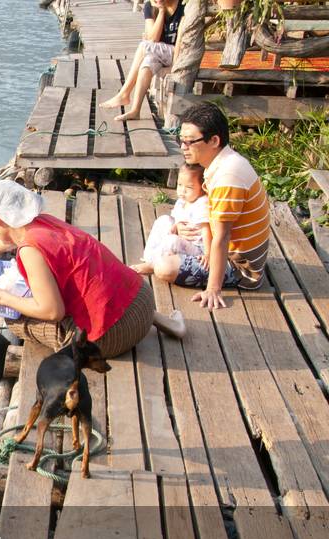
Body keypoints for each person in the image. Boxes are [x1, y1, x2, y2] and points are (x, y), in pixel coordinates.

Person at [0, 180, 184, 357]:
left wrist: (0, 297)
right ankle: (170, 324)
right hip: (142, 302)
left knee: (15, 320)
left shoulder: (30, 249)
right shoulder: (40, 222)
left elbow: (53, 311)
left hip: (116, 335)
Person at [149, 102, 270, 310]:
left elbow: (222, 238)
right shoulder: (221, 162)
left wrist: (213, 288)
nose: (183, 147)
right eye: (182, 141)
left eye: (190, 142)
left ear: (214, 140)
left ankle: (157, 261)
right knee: (167, 221)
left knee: (164, 268)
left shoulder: (227, 176)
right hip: (213, 242)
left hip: (239, 266)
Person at [100, 0, 185, 122]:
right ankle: (135, 110)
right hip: (158, 53)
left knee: (143, 46)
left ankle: (124, 93)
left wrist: (175, 66)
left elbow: (179, 42)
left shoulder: (183, 5)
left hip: (177, 54)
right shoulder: (150, 6)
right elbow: (153, 38)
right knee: (147, 63)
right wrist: (161, 11)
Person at [133, 163, 210, 275]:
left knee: (172, 240)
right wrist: (175, 226)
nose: (182, 191)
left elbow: (206, 230)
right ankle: (149, 257)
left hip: (197, 248)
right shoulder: (182, 200)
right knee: (164, 220)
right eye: (179, 185)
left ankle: (152, 265)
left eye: (189, 187)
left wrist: (207, 254)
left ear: (203, 188)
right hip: (183, 239)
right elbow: (176, 218)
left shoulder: (202, 204)